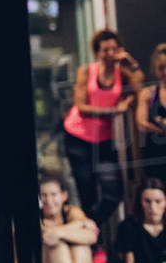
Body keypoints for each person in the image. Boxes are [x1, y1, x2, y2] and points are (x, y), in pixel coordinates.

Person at [62, 29, 144, 232]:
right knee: (86, 192)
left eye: (114, 49)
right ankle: (91, 247)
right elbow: (81, 107)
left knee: (113, 193)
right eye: (105, 49)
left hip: (103, 140)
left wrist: (131, 63)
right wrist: (114, 110)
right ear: (98, 52)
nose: (110, 53)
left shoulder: (121, 74)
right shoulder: (86, 71)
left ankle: (87, 229)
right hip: (78, 138)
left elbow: (140, 88)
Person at [40, 172, 100, 263]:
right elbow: (47, 238)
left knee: (80, 246)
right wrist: (79, 224)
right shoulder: (38, 219)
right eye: (43, 195)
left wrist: (57, 233)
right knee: (58, 247)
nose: (48, 200)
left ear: (64, 196)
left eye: (53, 194)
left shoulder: (71, 212)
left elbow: (92, 235)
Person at [115, 178, 166, 263]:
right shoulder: (128, 226)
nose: (153, 207)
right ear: (140, 202)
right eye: (147, 201)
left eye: (158, 201)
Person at [134, 45, 166, 182]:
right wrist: (161, 129)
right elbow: (141, 124)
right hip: (156, 154)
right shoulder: (148, 93)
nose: (165, 71)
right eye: (161, 67)